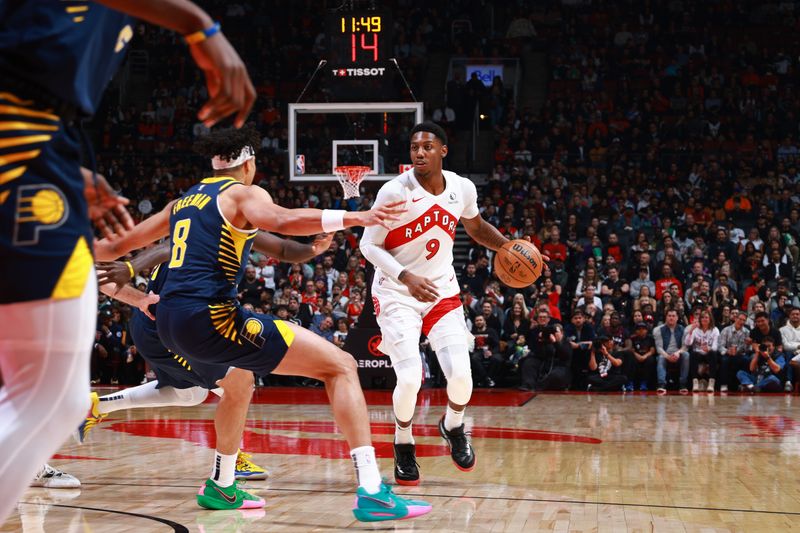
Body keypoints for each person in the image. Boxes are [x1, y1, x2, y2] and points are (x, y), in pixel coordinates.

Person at [0, 0, 256, 523]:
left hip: (47, 157)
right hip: (21, 154)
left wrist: (74, 173)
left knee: (61, 398)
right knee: (48, 393)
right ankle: (225, 475)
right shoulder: (227, 201)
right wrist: (199, 25)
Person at [94, 125, 430, 522]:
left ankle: (221, 485)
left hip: (166, 320)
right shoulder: (242, 193)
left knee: (238, 382)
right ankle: (373, 490)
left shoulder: (182, 202)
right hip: (211, 317)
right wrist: (356, 215)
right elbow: (283, 219)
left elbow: (113, 247)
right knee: (341, 366)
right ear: (249, 163)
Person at [82, 233, 333, 484]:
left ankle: (99, 405)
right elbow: (169, 253)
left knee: (191, 394)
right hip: (167, 328)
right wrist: (131, 269)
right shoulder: (207, 234)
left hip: (161, 325)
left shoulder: (201, 235)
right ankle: (230, 464)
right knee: (238, 383)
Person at [359, 122, 517, 486]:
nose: (419, 153)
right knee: (411, 377)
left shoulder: (461, 187)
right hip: (397, 293)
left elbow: (476, 229)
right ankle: (403, 442)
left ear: (443, 151)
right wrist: (406, 277)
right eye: (414, 147)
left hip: (442, 291)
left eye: (427, 147)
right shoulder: (393, 192)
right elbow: (369, 246)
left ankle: (453, 425)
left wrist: (508, 247)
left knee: (462, 377)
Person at [653, 309, 690, 394]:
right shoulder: (658, 330)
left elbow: (685, 346)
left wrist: (678, 353)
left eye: (673, 316)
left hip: (678, 354)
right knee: (661, 357)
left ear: (677, 318)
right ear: (666, 317)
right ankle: (661, 384)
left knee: (686, 355)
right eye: (669, 316)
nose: (671, 318)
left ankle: (683, 384)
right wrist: (668, 357)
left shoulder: (683, 329)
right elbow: (659, 348)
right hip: (665, 354)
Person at [684, 310, 720, 392]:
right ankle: (695, 382)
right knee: (692, 354)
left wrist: (709, 349)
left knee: (713, 353)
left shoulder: (715, 330)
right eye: (702, 317)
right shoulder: (696, 329)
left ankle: (711, 383)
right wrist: (691, 331)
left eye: (706, 317)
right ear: (700, 319)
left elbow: (715, 346)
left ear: (710, 319)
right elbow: (688, 343)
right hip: (698, 354)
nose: (704, 319)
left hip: (709, 353)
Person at [718, 309, 750, 392]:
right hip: (727, 353)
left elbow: (747, 349)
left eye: (744, 320)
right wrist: (727, 351)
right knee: (724, 360)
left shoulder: (747, 332)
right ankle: (723, 384)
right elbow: (720, 346)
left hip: (740, 354)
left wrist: (740, 349)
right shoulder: (726, 330)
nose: (741, 321)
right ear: (735, 319)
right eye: (740, 319)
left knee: (746, 359)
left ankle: (743, 384)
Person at [630, 322, 656, 391]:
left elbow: (652, 350)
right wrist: (638, 356)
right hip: (636, 356)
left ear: (646, 330)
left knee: (651, 360)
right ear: (636, 331)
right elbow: (632, 350)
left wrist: (644, 357)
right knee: (631, 359)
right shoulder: (632, 339)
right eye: (639, 329)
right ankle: (630, 383)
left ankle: (644, 382)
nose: (641, 330)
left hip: (646, 357)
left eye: (643, 329)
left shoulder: (650, 338)